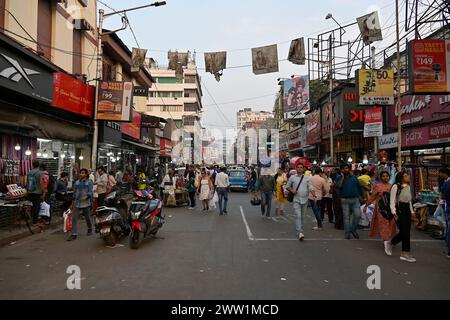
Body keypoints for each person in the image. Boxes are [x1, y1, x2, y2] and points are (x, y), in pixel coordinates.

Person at [365, 171, 397, 256]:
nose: (385, 178)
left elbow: (395, 198)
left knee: (391, 225)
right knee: (384, 225)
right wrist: (366, 205)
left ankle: (389, 240)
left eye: (387, 176)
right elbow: (373, 197)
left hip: (390, 209)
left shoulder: (392, 186)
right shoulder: (377, 186)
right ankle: (386, 242)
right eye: (383, 176)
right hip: (381, 209)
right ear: (380, 177)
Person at [390, 171, 416, 262]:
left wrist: (412, 212)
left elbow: (409, 201)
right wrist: (394, 213)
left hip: (407, 210)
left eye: (407, 175)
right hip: (399, 210)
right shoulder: (395, 186)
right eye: (405, 176)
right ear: (401, 178)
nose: (407, 177)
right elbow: (392, 201)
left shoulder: (408, 187)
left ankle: (405, 252)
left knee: (406, 232)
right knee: (404, 232)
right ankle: (402, 251)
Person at [286, 164, 315, 240]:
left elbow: (310, 187)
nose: (299, 169)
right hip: (296, 199)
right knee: (298, 215)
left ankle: (300, 230)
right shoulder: (292, 177)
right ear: (296, 168)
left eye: (301, 167)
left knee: (302, 216)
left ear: (303, 169)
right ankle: (300, 232)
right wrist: (292, 190)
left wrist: (314, 195)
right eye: (298, 167)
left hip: (305, 199)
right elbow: (287, 186)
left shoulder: (307, 178)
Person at [336, 164, 363, 239]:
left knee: (357, 215)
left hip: (355, 199)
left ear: (349, 169)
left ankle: (353, 230)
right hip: (344, 199)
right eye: (344, 168)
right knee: (346, 217)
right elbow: (338, 187)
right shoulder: (339, 178)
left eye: (347, 168)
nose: (345, 170)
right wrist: (343, 177)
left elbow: (359, 187)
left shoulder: (354, 177)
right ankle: (347, 233)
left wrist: (363, 196)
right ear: (341, 170)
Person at [67, 168, 93, 241]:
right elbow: (74, 194)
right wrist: (72, 203)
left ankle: (89, 228)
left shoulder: (89, 182)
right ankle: (73, 234)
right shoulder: (76, 183)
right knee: (74, 219)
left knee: (87, 217)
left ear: (86, 174)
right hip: (77, 202)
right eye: (81, 173)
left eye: (83, 173)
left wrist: (87, 196)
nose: (82, 174)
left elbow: (91, 192)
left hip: (86, 203)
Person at [27, 160, 45, 226]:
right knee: (36, 207)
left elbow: (27, 183)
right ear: (39, 165)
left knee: (32, 207)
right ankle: (35, 222)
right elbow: (41, 182)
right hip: (37, 192)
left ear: (32, 165)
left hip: (30, 192)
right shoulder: (40, 173)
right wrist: (43, 192)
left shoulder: (29, 172)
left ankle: (32, 220)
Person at [439, 168, 450, 259]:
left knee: (448, 227)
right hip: (447, 206)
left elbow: (443, 194)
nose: (439, 175)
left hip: (448, 207)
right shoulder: (446, 183)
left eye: (440, 173)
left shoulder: (446, 184)